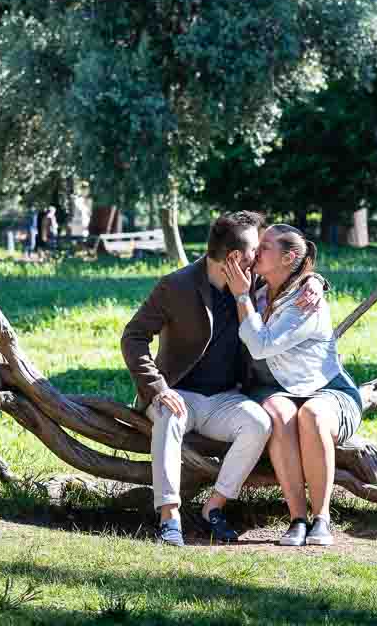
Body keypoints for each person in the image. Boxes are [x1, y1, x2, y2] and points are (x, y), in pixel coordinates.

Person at [121, 211, 324, 546]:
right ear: (234, 257)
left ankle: (213, 508)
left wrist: (316, 282)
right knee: (170, 415)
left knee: (259, 423)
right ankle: (169, 518)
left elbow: (291, 273)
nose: (260, 257)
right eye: (255, 251)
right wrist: (157, 388)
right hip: (177, 393)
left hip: (225, 398)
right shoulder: (177, 285)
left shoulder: (252, 283)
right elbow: (133, 337)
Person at [224, 224, 362, 547]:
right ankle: (297, 518)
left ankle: (321, 519)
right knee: (277, 412)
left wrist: (242, 297)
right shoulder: (260, 287)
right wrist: (316, 278)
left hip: (327, 390)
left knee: (312, 415)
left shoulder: (306, 302)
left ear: (288, 258)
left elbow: (261, 345)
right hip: (278, 390)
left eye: (266, 246)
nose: (257, 251)